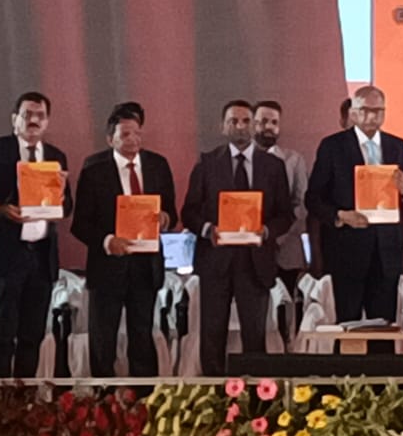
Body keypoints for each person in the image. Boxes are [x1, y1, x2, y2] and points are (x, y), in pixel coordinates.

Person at [182, 100, 295, 375]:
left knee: (255, 335)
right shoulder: (207, 163)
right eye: (233, 121)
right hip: (215, 261)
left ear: (254, 125)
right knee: (212, 334)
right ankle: (212, 394)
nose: (240, 126)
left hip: (255, 262)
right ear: (223, 126)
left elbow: (285, 214)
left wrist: (267, 231)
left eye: (246, 121)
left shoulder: (273, 166)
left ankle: (255, 394)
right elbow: (189, 212)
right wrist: (208, 229)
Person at [71, 103, 179, 378]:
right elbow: (80, 224)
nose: (133, 140)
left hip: (146, 266)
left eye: (137, 133)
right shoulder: (94, 170)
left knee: (142, 337)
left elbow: (171, 212)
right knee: (103, 339)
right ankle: (103, 398)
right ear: (111, 139)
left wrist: (165, 219)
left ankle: (144, 397)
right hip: (108, 267)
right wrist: (107, 241)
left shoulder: (157, 165)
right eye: (126, 134)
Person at [0, 92, 73, 378]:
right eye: (27, 114)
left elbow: (67, 207)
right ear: (14, 119)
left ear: (47, 121)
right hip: (6, 255)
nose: (33, 120)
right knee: (4, 332)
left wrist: (59, 198)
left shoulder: (56, 157)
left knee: (33, 334)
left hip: (41, 256)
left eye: (40, 115)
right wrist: (3, 210)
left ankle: (25, 397)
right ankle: (0, 395)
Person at [306, 86, 403, 340]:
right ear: (353, 113)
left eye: (378, 111)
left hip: (386, 252)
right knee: (348, 329)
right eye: (365, 110)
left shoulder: (397, 146)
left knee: (384, 330)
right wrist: (340, 216)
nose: (372, 116)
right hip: (347, 250)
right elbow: (313, 199)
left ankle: (382, 368)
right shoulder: (333, 146)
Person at [252, 100, 309, 294]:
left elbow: (301, 204)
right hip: (249, 249)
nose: (269, 127)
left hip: (286, 249)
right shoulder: (241, 161)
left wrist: (276, 235)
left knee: (286, 304)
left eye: (274, 122)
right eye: (263, 121)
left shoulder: (294, 160)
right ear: (253, 123)